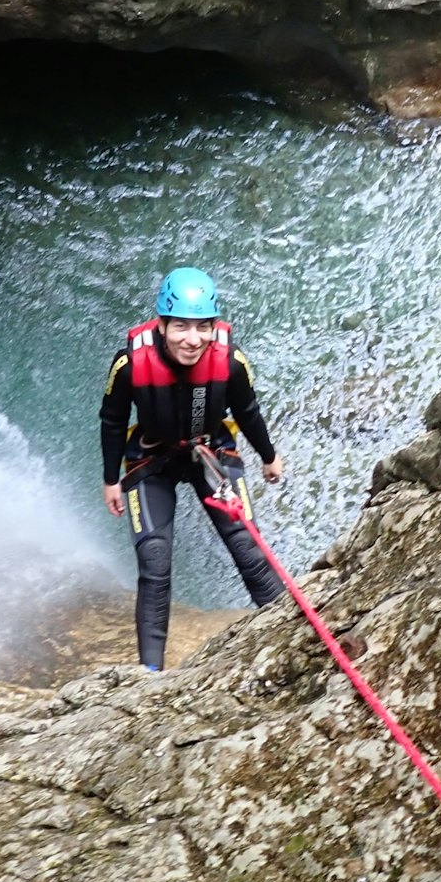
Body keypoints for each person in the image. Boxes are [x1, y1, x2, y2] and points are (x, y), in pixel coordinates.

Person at [100, 267, 286, 670]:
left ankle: (293, 634)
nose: (193, 338)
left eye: (203, 327)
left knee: (247, 549)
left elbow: (248, 412)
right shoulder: (129, 365)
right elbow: (113, 421)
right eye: (181, 326)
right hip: (153, 457)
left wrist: (268, 456)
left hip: (209, 452)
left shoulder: (231, 362)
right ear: (162, 325)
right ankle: (150, 673)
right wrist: (111, 479)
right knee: (154, 560)